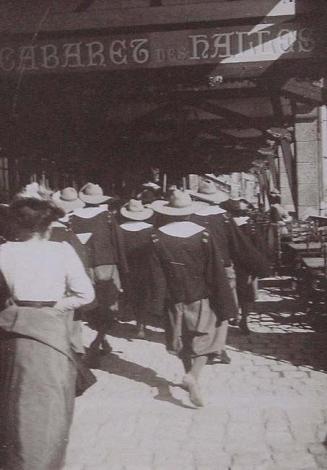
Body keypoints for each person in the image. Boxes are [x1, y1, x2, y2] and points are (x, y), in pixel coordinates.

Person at [0, 198, 94, 470]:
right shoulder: (61, 251)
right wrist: (56, 307)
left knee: (13, 404)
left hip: (12, 330)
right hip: (50, 333)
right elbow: (85, 294)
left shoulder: (4, 252)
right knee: (50, 408)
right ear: (48, 227)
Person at [150, 190, 238, 407]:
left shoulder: (156, 237)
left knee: (182, 340)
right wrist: (225, 300)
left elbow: (155, 273)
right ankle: (193, 376)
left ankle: (188, 373)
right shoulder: (204, 235)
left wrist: (157, 303)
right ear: (190, 213)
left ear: (169, 213)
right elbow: (215, 271)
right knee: (207, 339)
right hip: (201, 296)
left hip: (174, 298)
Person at [70, 183, 127, 360]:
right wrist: (124, 269)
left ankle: (102, 341)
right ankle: (97, 342)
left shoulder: (72, 218)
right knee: (108, 306)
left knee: (91, 306)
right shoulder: (107, 217)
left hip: (82, 266)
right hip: (105, 266)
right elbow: (118, 243)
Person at [119, 199, 155, 338]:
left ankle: (131, 315)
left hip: (127, 266)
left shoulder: (120, 229)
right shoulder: (150, 229)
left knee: (131, 292)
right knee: (144, 295)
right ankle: (141, 324)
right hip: (145, 266)